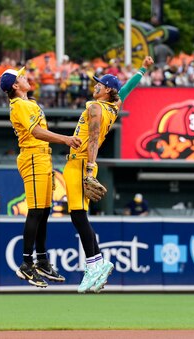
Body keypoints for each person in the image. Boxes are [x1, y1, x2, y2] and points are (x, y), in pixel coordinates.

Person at [63, 55, 154, 293]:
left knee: (78, 217)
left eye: (99, 84)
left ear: (106, 91)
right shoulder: (114, 105)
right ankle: (98, 263)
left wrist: (90, 168)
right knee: (80, 217)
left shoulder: (95, 108)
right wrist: (143, 69)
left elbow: (93, 139)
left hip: (79, 163)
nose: (95, 86)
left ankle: (95, 265)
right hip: (82, 163)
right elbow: (126, 89)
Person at [0, 67, 82, 288]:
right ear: (15, 86)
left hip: (43, 158)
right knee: (35, 211)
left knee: (44, 211)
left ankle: (42, 261)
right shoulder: (19, 105)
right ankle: (27, 264)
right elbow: (36, 132)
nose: (26, 77)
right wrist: (65, 139)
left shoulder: (30, 103)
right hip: (33, 156)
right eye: (21, 77)